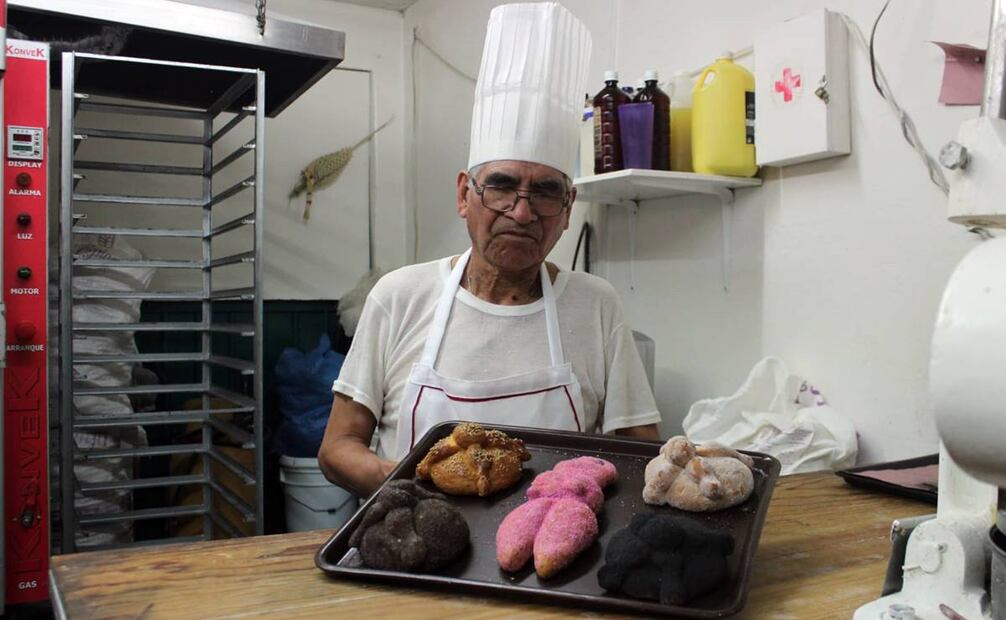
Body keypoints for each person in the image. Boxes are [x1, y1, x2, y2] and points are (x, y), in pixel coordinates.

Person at [319, 2, 660, 497]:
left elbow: (640, 448)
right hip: (412, 542)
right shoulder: (400, 296)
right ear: (464, 195)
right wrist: (408, 484)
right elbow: (338, 447)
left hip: (551, 550)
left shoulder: (595, 304)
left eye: (545, 192)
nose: (522, 213)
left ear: (567, 210)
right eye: (501, 187)